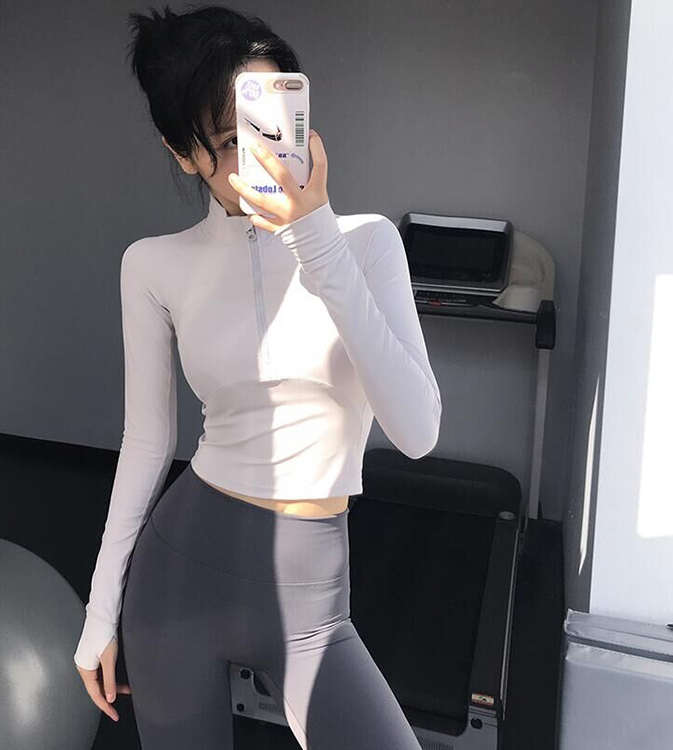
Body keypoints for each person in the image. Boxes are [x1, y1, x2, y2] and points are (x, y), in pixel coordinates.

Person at [74, 4, 442, 748]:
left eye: (272, 124)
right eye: (226, 140)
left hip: (313, 601)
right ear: (183, 153)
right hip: (180, 578)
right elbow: (146, 443)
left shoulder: (365, 244)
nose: (260, 154)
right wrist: (100, 608)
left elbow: (418, 432)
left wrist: (316, 240)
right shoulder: (153, 265)